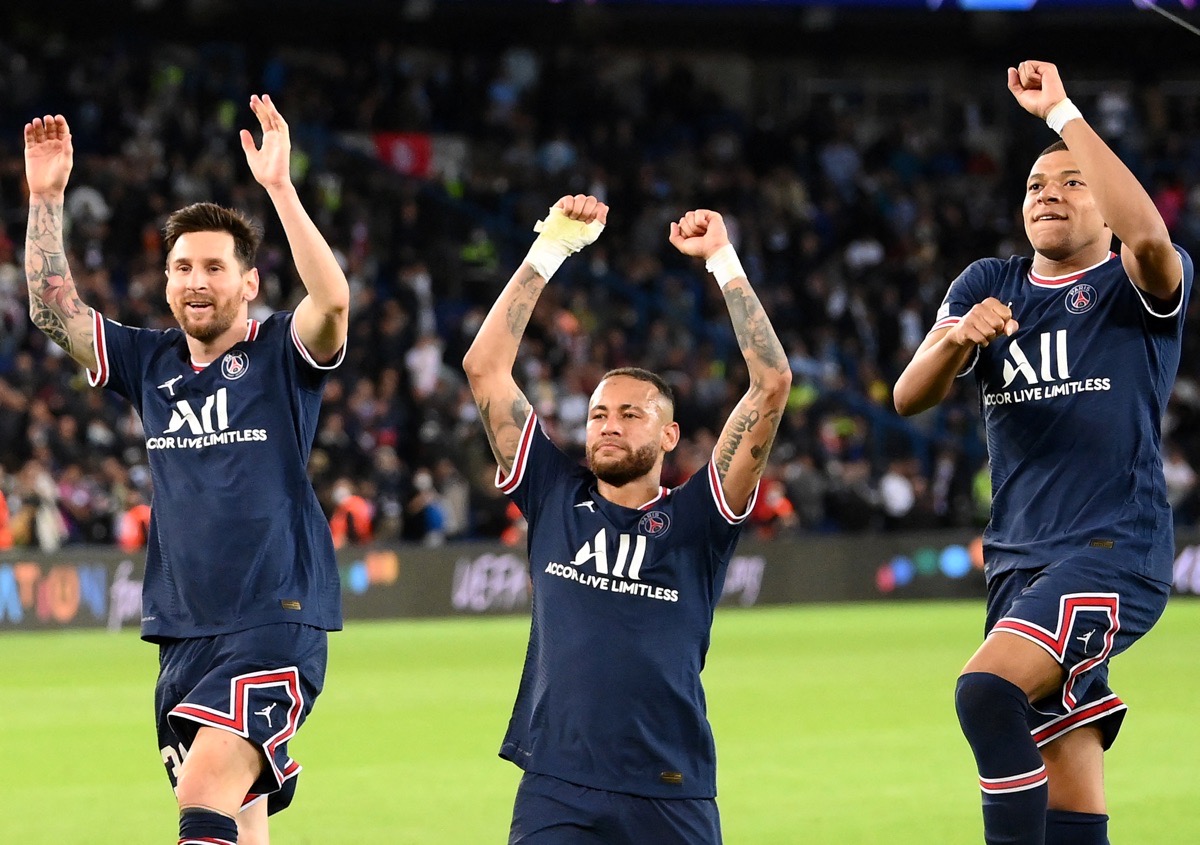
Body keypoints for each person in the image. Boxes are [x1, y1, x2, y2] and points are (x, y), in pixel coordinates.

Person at [24, 95, 349, 845]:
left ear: (249, 284)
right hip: (182, 632)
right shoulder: (151, 362)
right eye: (180, 267)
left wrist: (279, 189)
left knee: (201, 796)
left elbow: (332, 300)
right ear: (166, 282)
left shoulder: (277, 354)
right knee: (240, 820)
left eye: (213, 266)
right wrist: (46, 198)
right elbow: (52, 311)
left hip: (274, 621)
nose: (195, 280)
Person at [894, 61, 1193, 845]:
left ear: (1103, 194)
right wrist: (959, 337)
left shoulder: (1137, 285)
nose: (1048, 193)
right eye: (1033, 185)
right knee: (1071, 787)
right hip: (1018, 563)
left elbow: (1151, 236)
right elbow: (908, 394)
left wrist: (1061, 113)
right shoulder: (989, 283)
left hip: (1111, 549)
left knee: (985, 693)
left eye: (1070, 182)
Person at [463, 195, 791, 844]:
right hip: (557, 784)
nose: (609, 424)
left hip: (669, 786)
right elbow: (484, 367)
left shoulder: (699, 517)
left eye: (630, 414)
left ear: (670, 434)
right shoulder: (553, 493)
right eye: (598, 414)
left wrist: (722, 260)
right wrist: (551, 244)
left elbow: (772, 383)